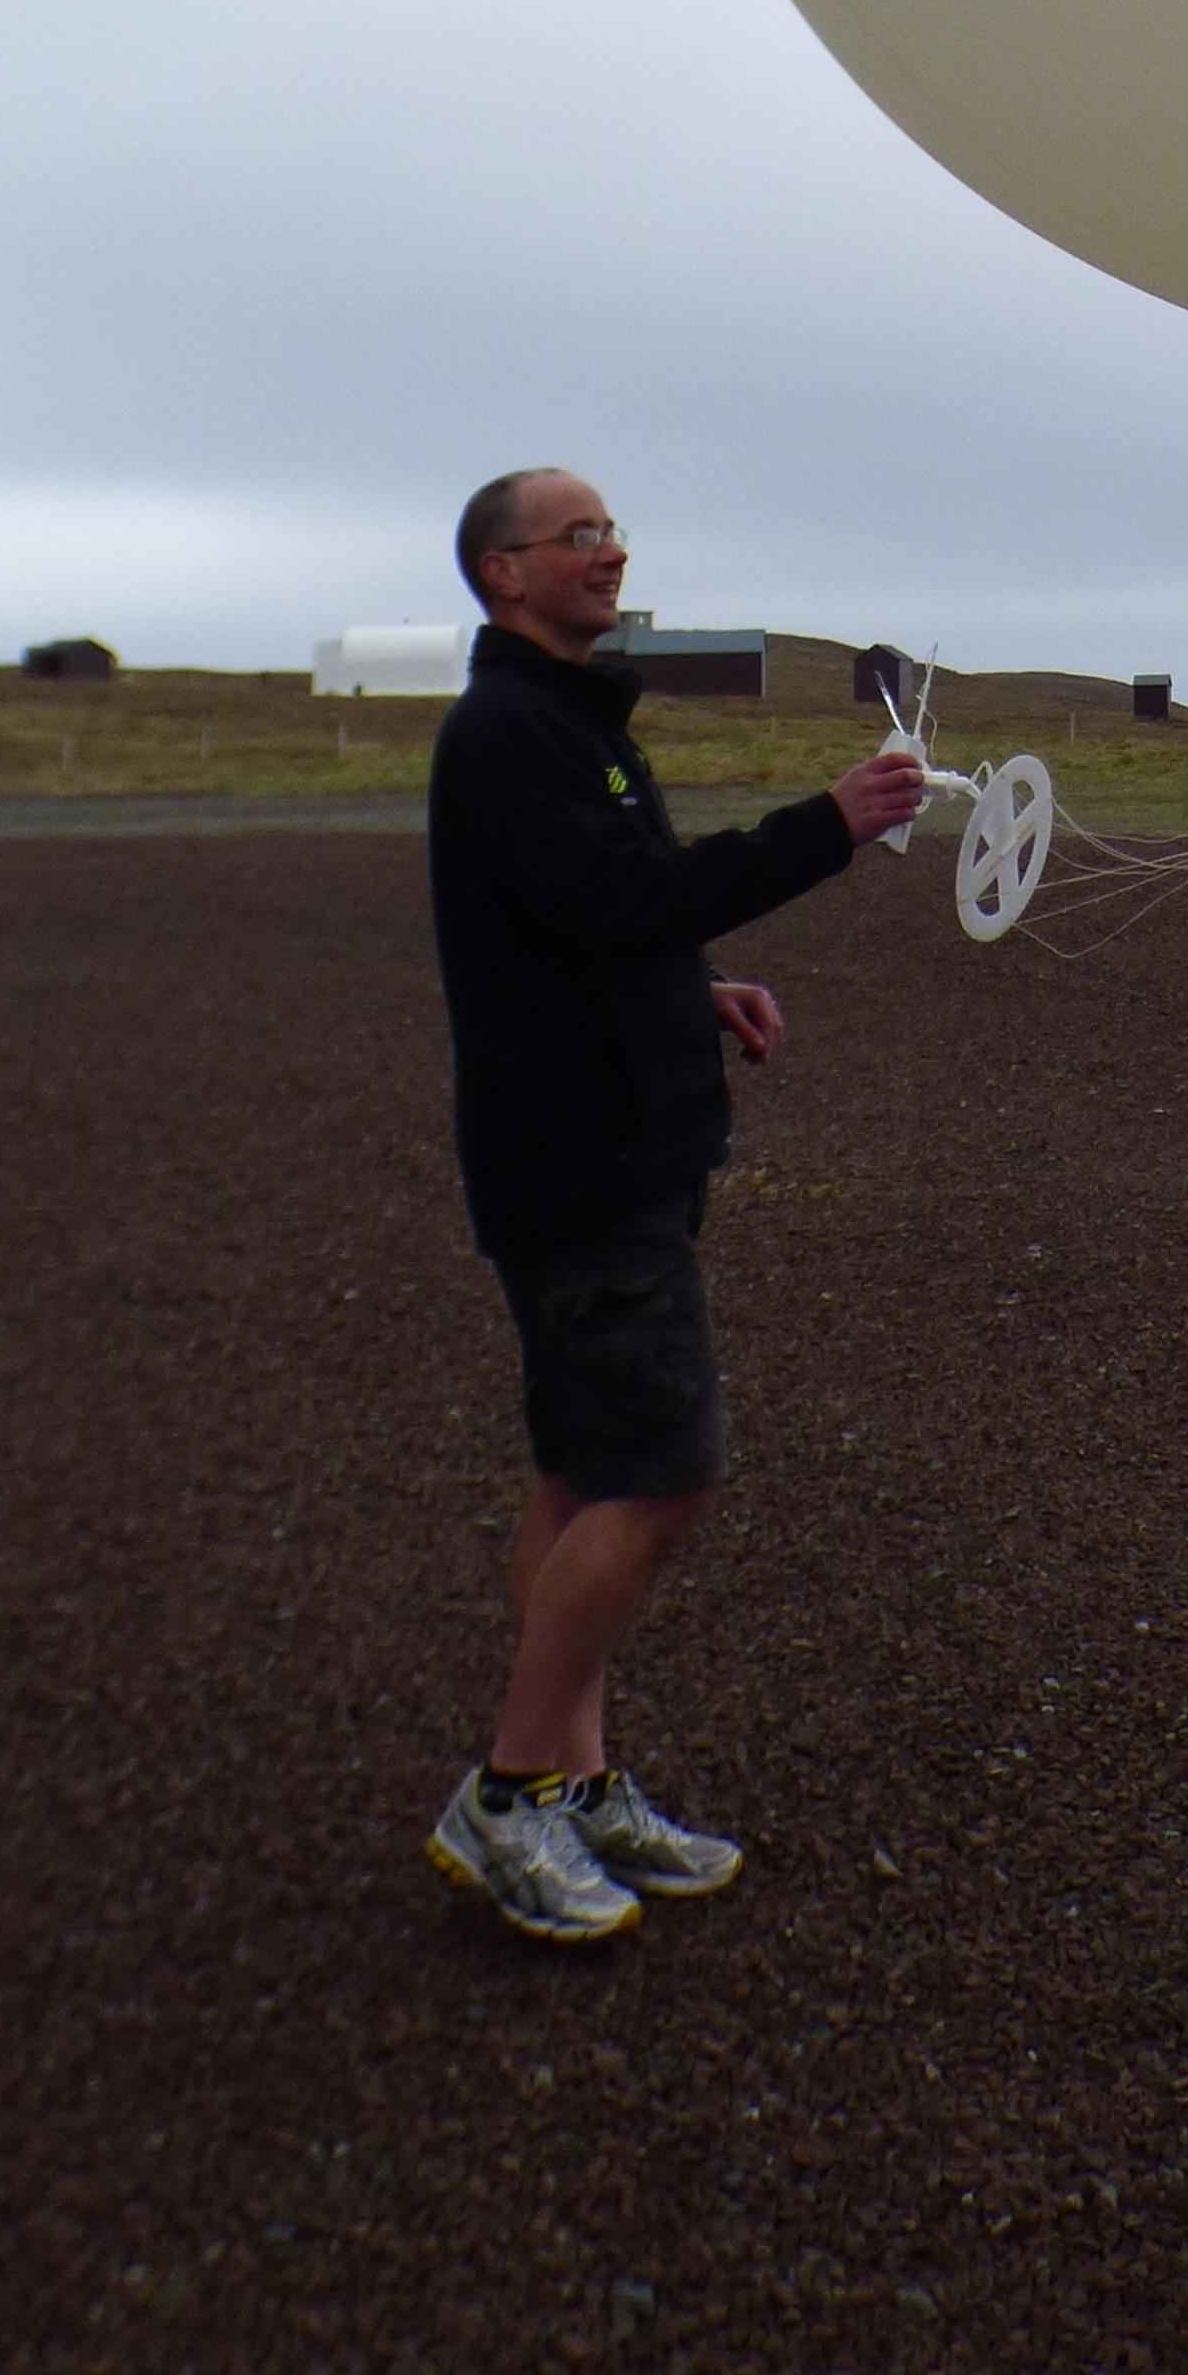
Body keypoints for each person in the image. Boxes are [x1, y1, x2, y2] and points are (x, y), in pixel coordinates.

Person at [423, 467, 926, 1945]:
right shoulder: (511, 735)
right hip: (582, 1173)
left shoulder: (573, 728)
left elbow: (591, 923)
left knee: (582, 1478)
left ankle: (574, 1789)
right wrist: (829, 825)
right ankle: (510, 1796)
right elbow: (626, 901)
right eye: (576, 535)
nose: (609, 550)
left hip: (606, 1150)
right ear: (503, 574)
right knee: (663, 1476)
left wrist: (689, 994)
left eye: (612, 531)